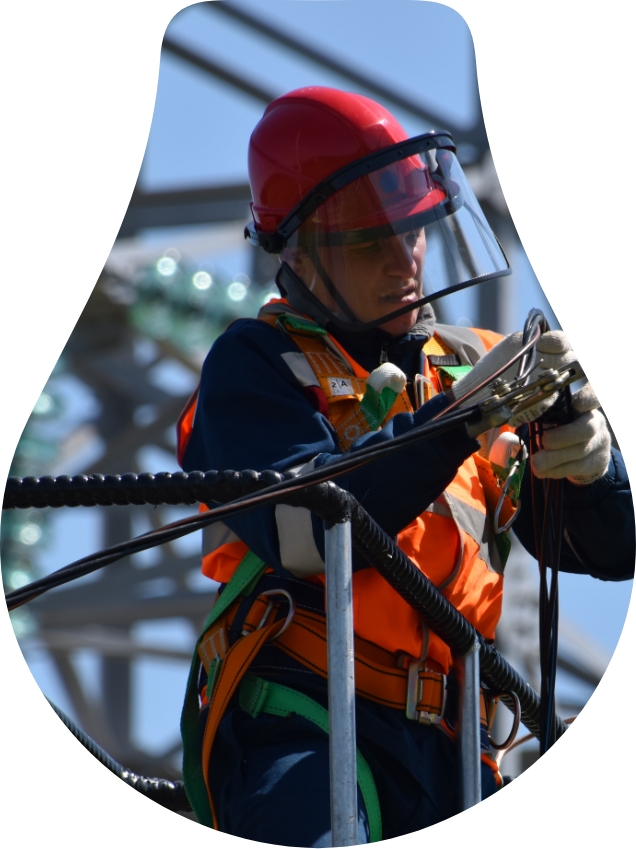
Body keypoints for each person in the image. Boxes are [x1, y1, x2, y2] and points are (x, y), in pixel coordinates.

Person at [177, 87, 634, 844]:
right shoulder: (257, 364)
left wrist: (593, 466)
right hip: (309, 720)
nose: (404, 261)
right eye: (369, 241)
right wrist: (458, 423)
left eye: (416, 231)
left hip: (454, 749)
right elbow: (300, 529)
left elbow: (607, 550)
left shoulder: (468, 364)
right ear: (299, 251)